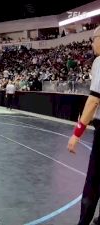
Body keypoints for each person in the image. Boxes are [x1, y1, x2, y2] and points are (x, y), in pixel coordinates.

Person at [68, 26, 100, 225]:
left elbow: (94, 100)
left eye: (94, 38)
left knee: (93, 182)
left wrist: (77, 133)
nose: (91, 43)